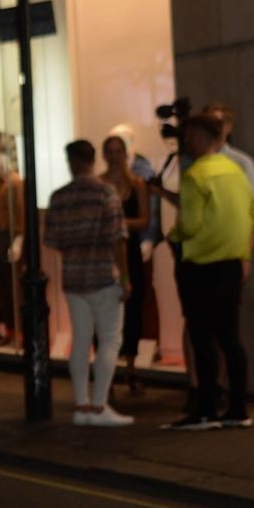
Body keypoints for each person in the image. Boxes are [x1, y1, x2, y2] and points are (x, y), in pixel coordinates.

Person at [155, 114, 254, 431]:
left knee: (202, 338)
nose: (186, 143)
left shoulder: (196, 175)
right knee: (230, 338)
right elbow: (253, 214)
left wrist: (174, 238)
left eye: (189, 137)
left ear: (201, 138)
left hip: (199, 265)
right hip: (231, 264)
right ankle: (238, 409)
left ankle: (206, 410)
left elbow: (190, 225)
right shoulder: (236, 171)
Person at [44, 139, 132, 426]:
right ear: (94, 159)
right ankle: (99, 406)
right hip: (103, 275)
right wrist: (125, 276)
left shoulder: (59, 197)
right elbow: (117, 239)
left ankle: (81, 405)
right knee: (110, 339)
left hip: (73, 277)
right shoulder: (105, 193)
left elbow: (53, 240)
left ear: (69, 161)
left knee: (81, 340)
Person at [100, 135, 151, 393]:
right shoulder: (99, 184)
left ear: (125, 153)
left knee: (133, 311)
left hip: (130, 252)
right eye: (110, 151)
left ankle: (131, 367)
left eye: (118, 151)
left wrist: (119, 223)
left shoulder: (137, 184)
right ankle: (107, 372)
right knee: (104, 312)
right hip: (105, 253)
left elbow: (144, 220)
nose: (114, 156)